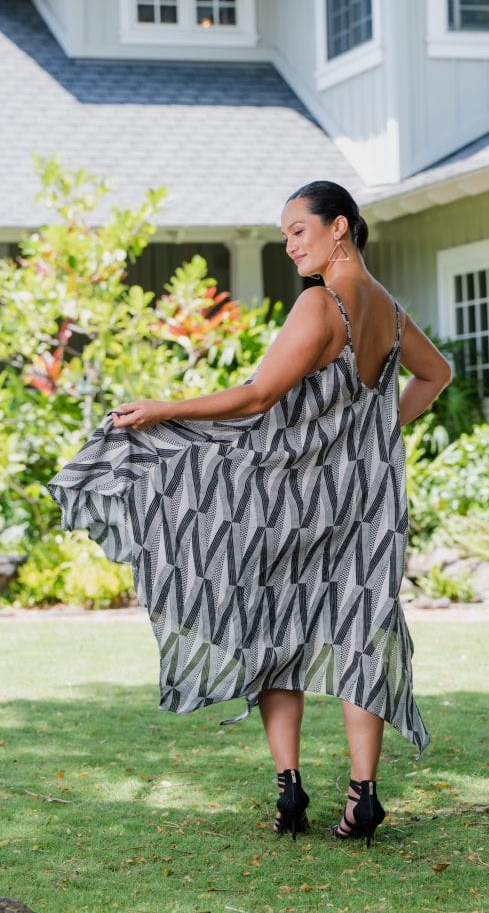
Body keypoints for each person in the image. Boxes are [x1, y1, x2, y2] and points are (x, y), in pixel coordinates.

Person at [48, 181, 451, 846]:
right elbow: (434, 376)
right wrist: (377, 440)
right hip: (362, 506)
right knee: (360, 635)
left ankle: (289, 790)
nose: (289, 243)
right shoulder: (389, 312)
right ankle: (363, 796)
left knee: (272, 628)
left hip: (285, 500)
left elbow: (256, 396)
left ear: (338, 228)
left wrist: (160, 409)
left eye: (298, 230)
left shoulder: (320, 305)